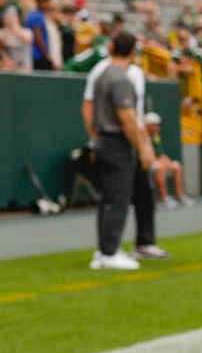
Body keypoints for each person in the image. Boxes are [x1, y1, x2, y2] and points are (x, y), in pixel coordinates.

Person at [81, 44, 167, 260]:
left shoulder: (132, 73)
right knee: (115, 195)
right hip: (119, 138)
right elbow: (94, 107)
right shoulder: (106, 73)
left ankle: (143, 242)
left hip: (131, 137)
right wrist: (96, 138)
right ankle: (108, 251)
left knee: (143, 192)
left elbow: (135, 114)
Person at [143, 113, 191, 207]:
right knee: (159, 168)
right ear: (148, 126)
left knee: (176, 166)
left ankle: (179, 196)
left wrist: (166, 161)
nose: (158, 127)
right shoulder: (142, 136)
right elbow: (147, 155)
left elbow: (160, 153)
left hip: (157, 161)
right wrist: (158, 161)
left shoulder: (156, 136)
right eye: (156, 125)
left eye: (159, 125)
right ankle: (163, 198)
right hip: (146, 163)